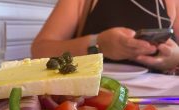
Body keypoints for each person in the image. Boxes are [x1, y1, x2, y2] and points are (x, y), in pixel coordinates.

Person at [31, 0, 179, 73]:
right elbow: (40, 50)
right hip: (89, 99)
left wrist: (174, 58)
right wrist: (97, 44)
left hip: (158, 103)